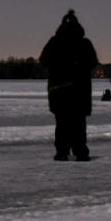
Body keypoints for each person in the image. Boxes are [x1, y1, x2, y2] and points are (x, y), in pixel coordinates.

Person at [39, 9, 99, 161]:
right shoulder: (84, 43)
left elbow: (43, 60)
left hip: (59, 90)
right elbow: (93, 63)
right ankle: (80, 152)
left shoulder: (54, 42)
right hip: (79, 90)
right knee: (78, 123)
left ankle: (62, 151)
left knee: (62, 122)